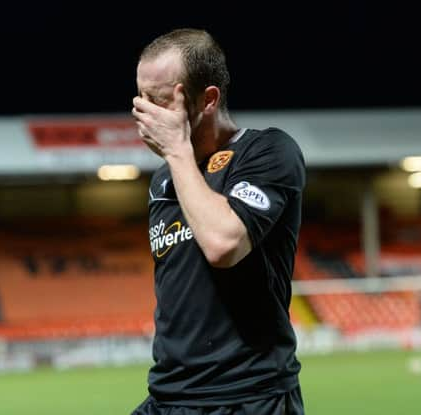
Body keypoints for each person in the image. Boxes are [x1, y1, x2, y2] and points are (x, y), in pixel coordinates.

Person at [131, 28, 306, 414]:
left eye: (159, 100)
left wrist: (177, 153)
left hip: (246, 397)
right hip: (170, 396)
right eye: (140, 97)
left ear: (207, 99)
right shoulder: (164, 177)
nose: (144, 113)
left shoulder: (268, 151)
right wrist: (176, 160)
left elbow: (223, 245)